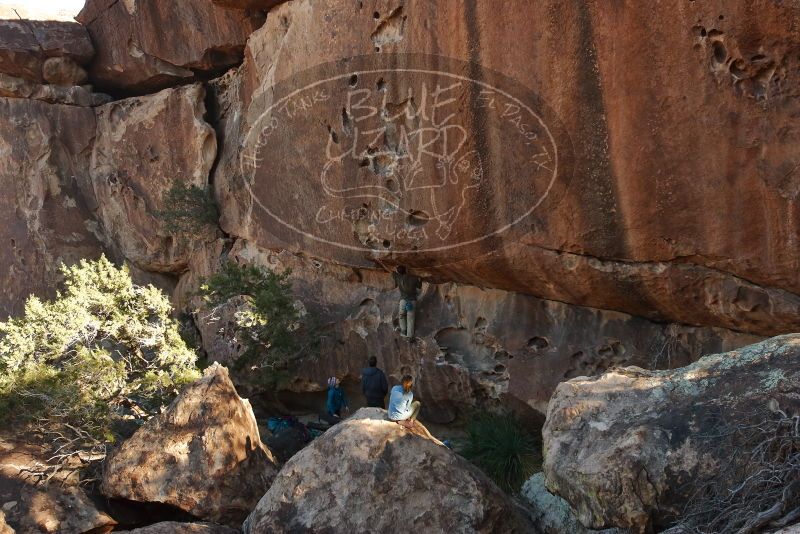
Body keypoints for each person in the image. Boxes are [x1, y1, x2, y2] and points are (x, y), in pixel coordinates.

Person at [392, 265, 422, 338]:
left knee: (401, 315)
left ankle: (403, 330)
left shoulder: (398, 277)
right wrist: (420, 280)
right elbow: (419, 286)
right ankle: (410, 336)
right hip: (412, 300)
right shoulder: (413, 278)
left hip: (403, 300)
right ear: (406, 270)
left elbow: (393, 272)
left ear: (398, 272)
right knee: (410, 318)